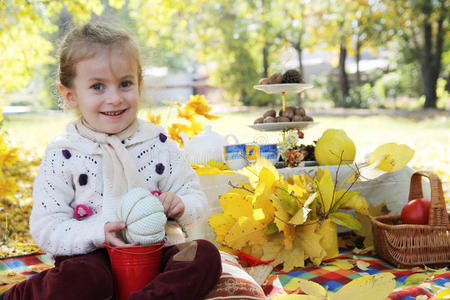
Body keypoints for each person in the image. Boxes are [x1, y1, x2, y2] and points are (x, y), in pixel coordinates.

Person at [2, 22, 222, 300]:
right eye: (97, 87)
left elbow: (194, 195)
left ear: (139, 84)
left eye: (125, 84)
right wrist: (98, 231)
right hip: (93, 258)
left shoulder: (158, 143)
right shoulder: (64, 153)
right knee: (83, 279)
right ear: (71, 95)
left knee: (204, 255)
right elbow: (47, 229)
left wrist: (182, 205)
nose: (115, 98)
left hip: (156, 251)